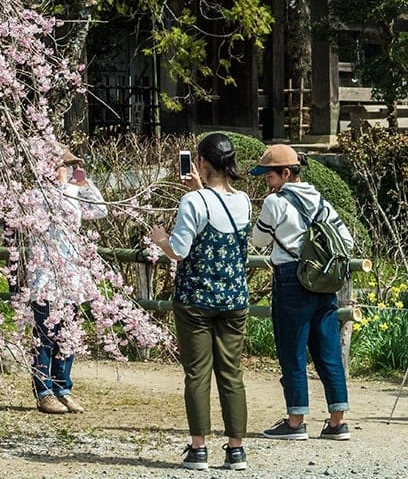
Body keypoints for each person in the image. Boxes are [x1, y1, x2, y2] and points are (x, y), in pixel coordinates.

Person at [149, 132, 251, 472]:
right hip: (234, 296)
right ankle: (236, 449)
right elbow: (218, 214)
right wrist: (199, 189)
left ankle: (199, 448)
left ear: (202, 163)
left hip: (195, 298)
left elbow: (180, 250)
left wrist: (160, 239)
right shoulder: (244, 201)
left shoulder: (194, 202)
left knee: (197, 374)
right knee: (232, 373)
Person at [249, 143, 355, 443]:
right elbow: (344, 239)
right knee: (328, 350)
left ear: (285, 173)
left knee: (292, 349)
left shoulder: (275, 203)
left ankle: (296, 421)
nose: (266, 182)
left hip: (291, 280)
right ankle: (338, 422)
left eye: (268, 176)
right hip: (323, 282)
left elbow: (258, 239)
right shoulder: (319, 199)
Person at [25, 146, 106, 414]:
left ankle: (63, 387)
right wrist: (64, 187)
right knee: (44, 334)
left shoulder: (73, 193)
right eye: (63, 166)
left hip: (71, 272)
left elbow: (100, 211)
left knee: (67, 334)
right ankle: (44, 390)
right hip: (45, 272)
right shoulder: (36, 195)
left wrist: (84, 183)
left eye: (69, 166)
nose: (66, 171)